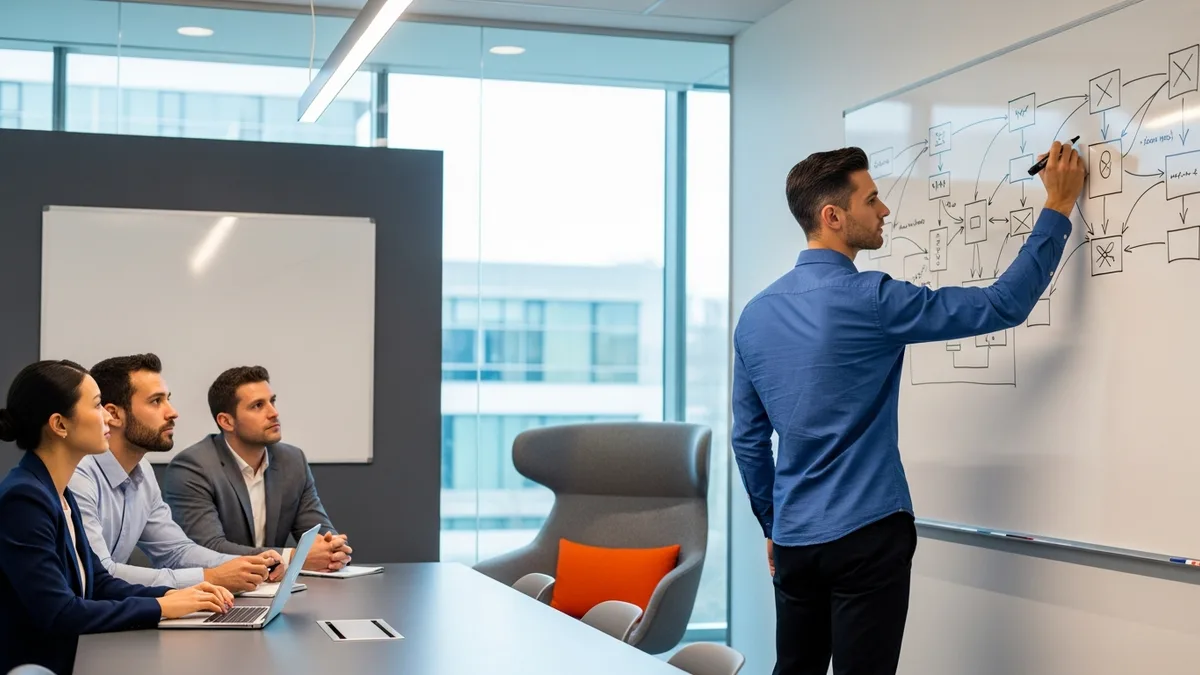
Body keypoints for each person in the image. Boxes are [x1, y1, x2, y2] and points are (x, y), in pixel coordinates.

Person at [731, 141, 1086, 675]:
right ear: (833, 216)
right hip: (867, 533)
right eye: (871, 199)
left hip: (796, 541)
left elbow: (748, 439)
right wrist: (1058, 207)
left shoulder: (755, 317)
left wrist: (773, 524)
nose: (884, 211)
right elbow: (1002, 304)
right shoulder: (872, 300)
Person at [0, 360, 233, 675]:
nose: (108, 416)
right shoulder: (24, 499)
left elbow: (99, 582)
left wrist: (177, 595)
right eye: (97, 406)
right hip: (47, 664)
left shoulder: (58, 492)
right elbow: (59, 612)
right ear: (59, 425)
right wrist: (162, 607)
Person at [70, 353, 286, 593]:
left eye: (168, 399)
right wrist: (210, 577)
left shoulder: (142, 471)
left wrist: (247, 565)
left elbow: (175, 551)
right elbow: (100, 573)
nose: (172, 412)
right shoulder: (78, 476)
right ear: (115, 414)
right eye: (156, 401)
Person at [163, 365, 351, 571]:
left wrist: (333, 550)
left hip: (275, 589)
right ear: (226, 421)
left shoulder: (292, 460)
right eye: (257, 406)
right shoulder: (192, 467)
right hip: (218, 594)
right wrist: (291, 557)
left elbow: (321, 535)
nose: (273, 413)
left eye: (272, 401)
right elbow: (208, 548)